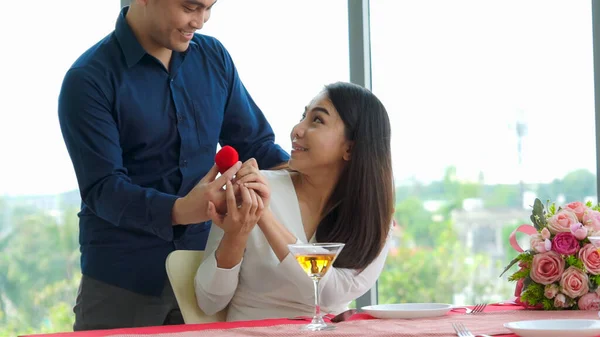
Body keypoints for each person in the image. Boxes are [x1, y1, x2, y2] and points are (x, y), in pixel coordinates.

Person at [57, 0, 288, 330]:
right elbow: (103, 189)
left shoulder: (214, 58)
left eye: (209, 8)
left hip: (205, 280)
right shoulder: (88, 80)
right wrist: (180, 210)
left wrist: (319, 181)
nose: (201, 21)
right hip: (122, 286)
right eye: (191, 6)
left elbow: (257, 147)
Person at [194, 81, 395, 321]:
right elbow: (209, 302)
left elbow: (328, 295)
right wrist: (235, 236)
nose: (297, 130)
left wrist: (265, 217)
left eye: (317, 120)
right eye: (303, 116)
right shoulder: (251, 190)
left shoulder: (373, 218)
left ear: (350, 148)